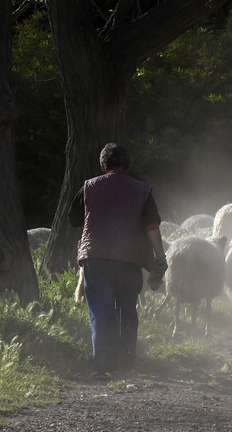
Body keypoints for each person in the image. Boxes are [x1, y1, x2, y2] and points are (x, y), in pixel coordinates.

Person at [68, 143, 167, 379]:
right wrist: (159, 256)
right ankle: (126, 362)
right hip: (129, 259)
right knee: (126, 310)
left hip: (96, 258)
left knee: (101, 312)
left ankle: (103, 365)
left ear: (103, 165)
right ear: (127, 165)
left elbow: (73, 220)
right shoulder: (142, 190)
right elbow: (152, 226)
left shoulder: (88, 187)